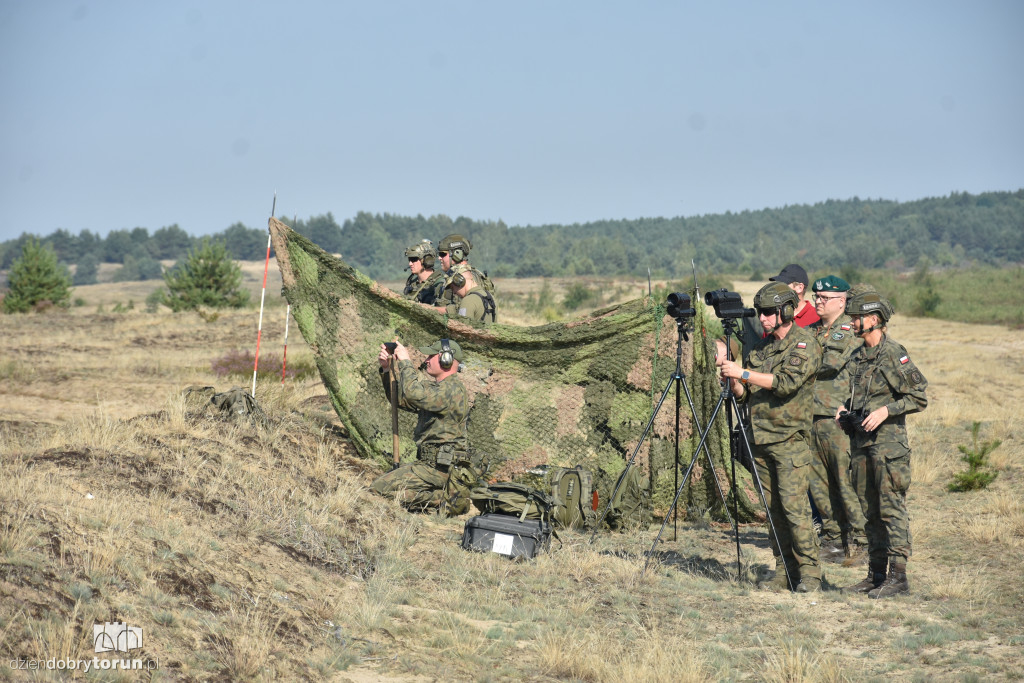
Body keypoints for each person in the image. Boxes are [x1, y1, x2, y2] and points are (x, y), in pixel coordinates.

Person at [717, 281, 823, 593]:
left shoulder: (805, 344)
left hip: (790, 439)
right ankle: (784, 572)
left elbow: (786, 383)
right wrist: (732, 378)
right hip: (760, 439)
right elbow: (745, 393)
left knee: (795, 509)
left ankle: (811, 574)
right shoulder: (761, 349)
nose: (762, 318)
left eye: (768, 313)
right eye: (759, 312)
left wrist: (742, 374)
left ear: (787, 311)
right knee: (773, 510)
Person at [838, 289, 928, 598]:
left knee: (891, 509)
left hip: (888, 449)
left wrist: (886, 410)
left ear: (874, 320)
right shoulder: (857, 356)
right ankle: (876, 575)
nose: (852, 323)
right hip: (861, 445)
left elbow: (918, 396)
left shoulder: (893, 353)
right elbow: (845, 393)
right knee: (869, 510)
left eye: (857, 318)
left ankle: (898, 577)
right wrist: (842, 412)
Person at [370, 338, 479, 516]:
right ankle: (444, 496)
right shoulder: (438, 389)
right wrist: (387, 369)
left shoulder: (452, 390)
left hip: (439, 468)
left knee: (379, 489)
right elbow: (401, 400)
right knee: (386, 490)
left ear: (446, 359)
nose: (426, 360)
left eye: (431, 356)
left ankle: (445, 499)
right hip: (429, 465)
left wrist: (405, 362)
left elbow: (414, 394)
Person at [807, 276, 868, 564]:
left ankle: (860, 541)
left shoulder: (848, 329)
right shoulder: (810, 331)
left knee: (846, 482)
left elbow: (828, 363)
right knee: (818, 482)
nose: (818, 302)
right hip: (810, 415)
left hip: (837, 418)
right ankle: (832, 540)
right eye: (816, 297)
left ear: (841, 301)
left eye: (824, 298)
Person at [434, 233, 495, 307]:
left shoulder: (461, 279)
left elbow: (462, 311)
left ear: (457, 254)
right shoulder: (474, 274)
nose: (439, 258)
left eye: (442, 254)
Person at [422, 263, 496, 323]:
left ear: (460, 281)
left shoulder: (468, 301)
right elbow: (454, 309)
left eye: (453, 287)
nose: (454, 292)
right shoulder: (490, 297)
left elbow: (463, 330)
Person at [402, 240, 445, 305]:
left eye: (413, 259)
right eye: (409, 260)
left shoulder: (439, 284)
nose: (410, 263)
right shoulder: (412, 284)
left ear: (427, 260)